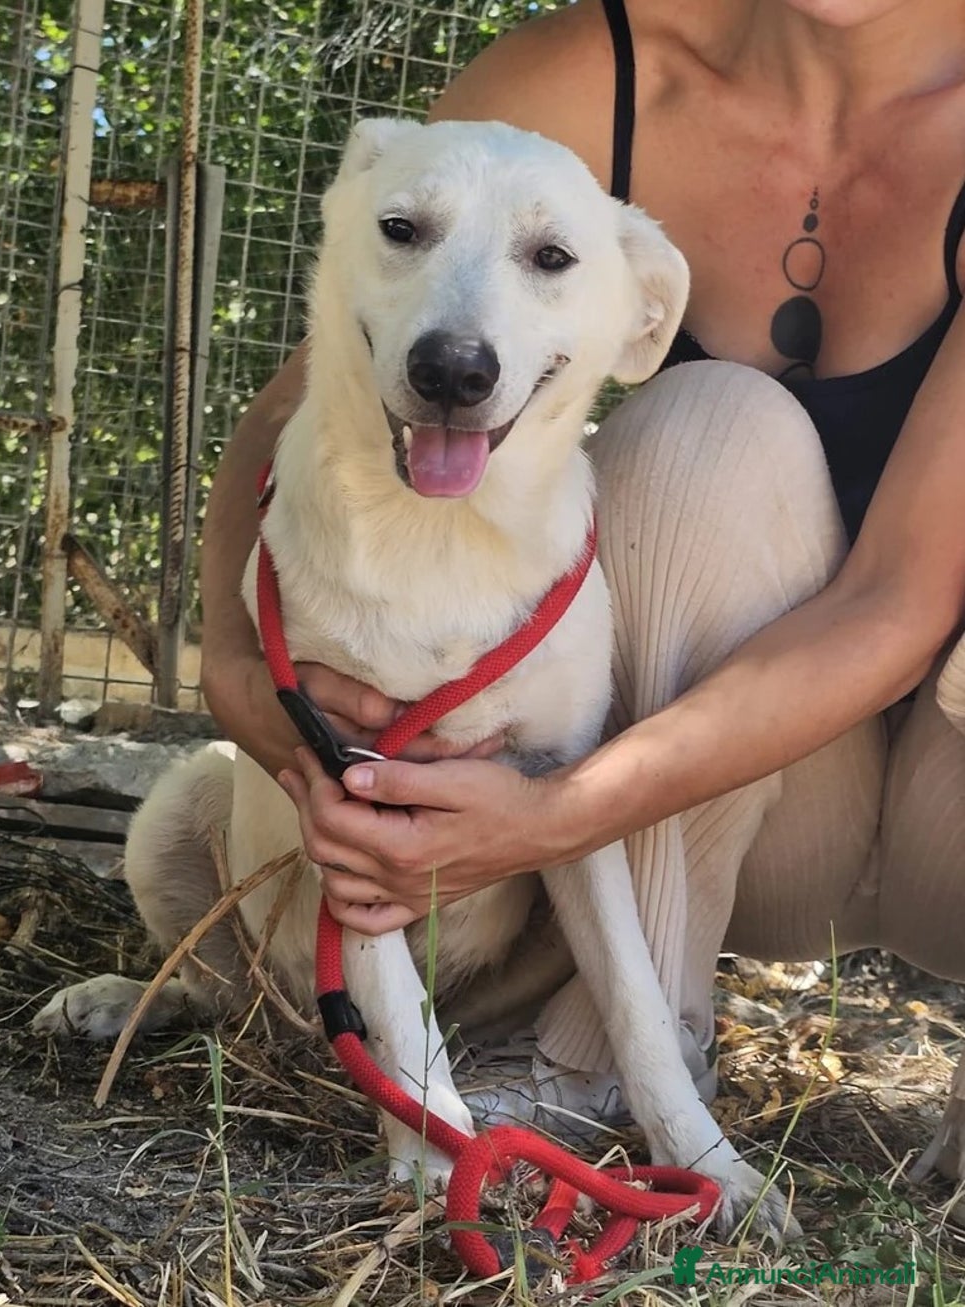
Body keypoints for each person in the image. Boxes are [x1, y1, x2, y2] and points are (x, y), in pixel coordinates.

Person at [200, 0, 965, 1171]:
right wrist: (232, 665)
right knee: (716, 430)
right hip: (745, 817)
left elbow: (897, 601)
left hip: (945, 811)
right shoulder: (588, 76)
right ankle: (604, 1050)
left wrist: (558, 813)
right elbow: (318, 388)